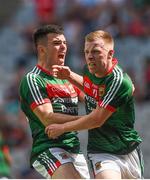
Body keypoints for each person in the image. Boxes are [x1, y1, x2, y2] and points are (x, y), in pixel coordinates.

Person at [45, 30, 144, 179]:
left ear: (110, 54)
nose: (90, 56)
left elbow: (96, 119)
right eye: (86, 52)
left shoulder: (119, 81)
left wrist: (62, 128)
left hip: (128, 150)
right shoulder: (89, 70)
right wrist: (70, 76)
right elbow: (92, 89)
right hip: (102, 151)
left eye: (96, 51)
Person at [19, 24, 90, 179]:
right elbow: (48, 118)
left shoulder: (68, 78)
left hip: (74, 150)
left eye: (65, 43)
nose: (63, 47)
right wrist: (88, 120)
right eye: (57, 43)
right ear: (42, 49)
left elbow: (96, 99)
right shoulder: (33, 79)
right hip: (48, 148)